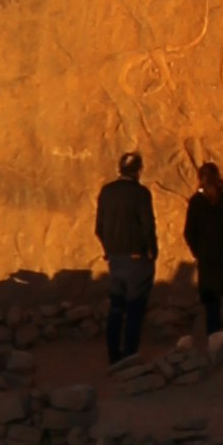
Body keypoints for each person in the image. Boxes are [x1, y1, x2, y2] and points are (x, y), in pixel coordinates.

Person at [93, 150, 159, 365]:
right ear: (139, 171)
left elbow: (99, 227)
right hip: (136, 257)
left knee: (116, 307)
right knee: (135, 307)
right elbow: (147, 225)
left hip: (115, 258)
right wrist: (152, 250)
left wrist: (108, 248)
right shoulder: (140, 194)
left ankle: (113, 354)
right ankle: (129, 354)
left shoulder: (107, 191)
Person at [181, 155, 223, 350]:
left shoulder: (197, 202)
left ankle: (215, 348)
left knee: (212, 307)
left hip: (210, 262)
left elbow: (189, 233)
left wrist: (199, 252)